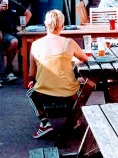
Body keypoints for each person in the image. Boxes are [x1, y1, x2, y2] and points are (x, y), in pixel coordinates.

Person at [28, 9, 88, 139]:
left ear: (45, 24)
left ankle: (44, 122)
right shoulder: (69, 42)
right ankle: (75, 119)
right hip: (68, 91)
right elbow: (84, 58)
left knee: (30, 92)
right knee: (81, 86)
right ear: (62, 25)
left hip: (44, 91)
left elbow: (31, 74)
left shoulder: (35, 45)